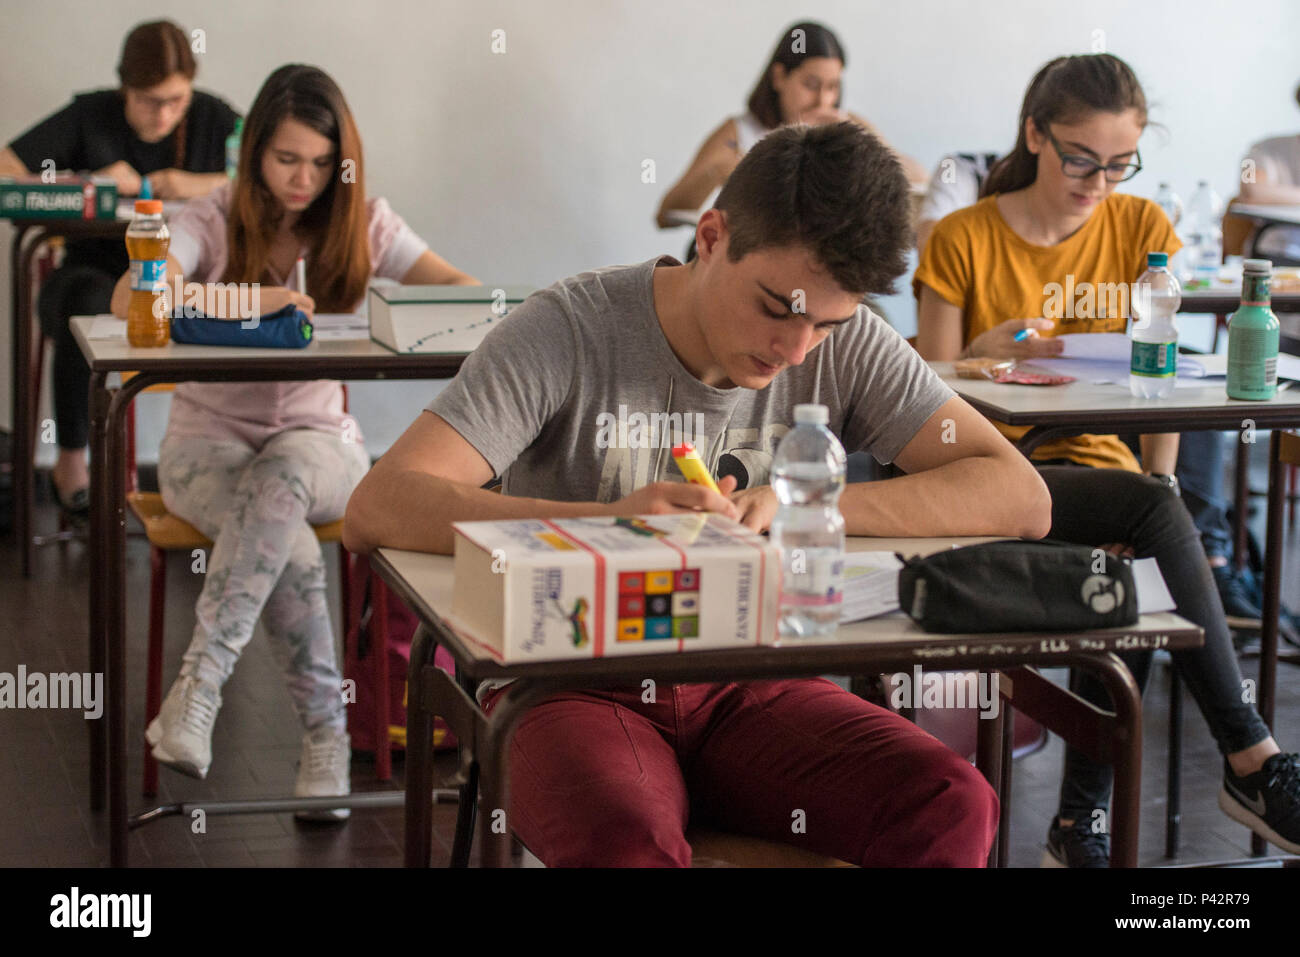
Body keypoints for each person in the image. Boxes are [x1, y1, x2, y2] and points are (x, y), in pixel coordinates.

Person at [345, 120, 1052, 867]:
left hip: (754, 683)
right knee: (629, 839)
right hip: (572, 684)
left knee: (951, 801)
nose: (795, 350)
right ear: (711, 237)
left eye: (826, 323)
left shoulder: (842, 339)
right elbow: (379, 504)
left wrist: (808, 505)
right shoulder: (571, 329)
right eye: (777, 308)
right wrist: (608, 523)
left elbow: (1019, 493)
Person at [914, 53, 1300, 865]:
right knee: (1155, 521)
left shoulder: (1143, 231)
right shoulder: (963, 237)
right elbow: (926, 407)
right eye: (1080, 159)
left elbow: (1161, 392)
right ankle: (1250, 761)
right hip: (989, 471)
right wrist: (978, 357)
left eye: (1119, 164)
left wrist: (1154, 479)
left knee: (1140, 554)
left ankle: (1079, 825)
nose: (1098, 182)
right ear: (1034, 135)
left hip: (1098, 472)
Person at [109, 64, 476, 819]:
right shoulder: (209, 217)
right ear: (252, 156)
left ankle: (198, 689)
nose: (304, 178)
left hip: (321, 447)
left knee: (282, 482)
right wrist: (262, 299)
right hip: (202, 450)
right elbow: (130, 297)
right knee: (294, 541)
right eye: (285, 159)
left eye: (319, 161)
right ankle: (325, 744)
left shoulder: (364, 220)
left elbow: (464, 291)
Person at [0, 20, 238, 526]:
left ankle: (223, 468)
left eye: (177, 100)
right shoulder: (91, 116)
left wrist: (191, 184)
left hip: (183, 284)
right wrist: (90, 184)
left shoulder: (213, 117)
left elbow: (265, 180)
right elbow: (6, 169)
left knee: (238, 302)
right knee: (86, 306)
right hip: (87, 277)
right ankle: (70, 466)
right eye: (151, 100)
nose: (166, 114)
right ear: (125, 87)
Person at [655, 20, 926, 232]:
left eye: (832, 87)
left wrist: (862, 141)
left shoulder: (848, 123)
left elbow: (919, 180)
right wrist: (721, 171)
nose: (823, 99)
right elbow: (666, 215)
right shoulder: (739, 133)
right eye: (811, 85)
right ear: (779, 77)